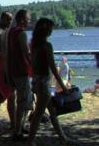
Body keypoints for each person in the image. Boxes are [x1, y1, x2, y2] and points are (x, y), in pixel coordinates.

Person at [28, 18, 70, 146]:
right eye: (50, 28)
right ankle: (30, 141)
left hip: (36, 80)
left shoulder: (34, 44)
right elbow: (53, 67)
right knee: (39, 114)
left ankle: (63, 137)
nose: (52, 31)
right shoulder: (47, 46)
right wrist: (63, 85)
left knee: (52, 111)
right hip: (43, 83)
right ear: (46, 30)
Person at [6, 9, 33, 141]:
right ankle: (17, 131)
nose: (29, 21)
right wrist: (36, 64)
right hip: (21, 71)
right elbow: (26, 53)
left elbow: (9, 52)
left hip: (13, 70)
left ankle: (20, 126)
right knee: (23, 101)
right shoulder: (21, 33)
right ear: (22, 19)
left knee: (25, 99)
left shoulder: (11, 32)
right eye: (28, 19)